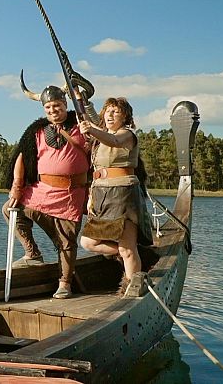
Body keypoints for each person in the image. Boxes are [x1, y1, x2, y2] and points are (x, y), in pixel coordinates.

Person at [3, 79, 91, 299]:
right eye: (49, 107)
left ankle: (65, 284)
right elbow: (22, 158)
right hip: (41, 190)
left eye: (57, 106)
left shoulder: (82, 124)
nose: (53, 110)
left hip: (71, 193)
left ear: (65, 104)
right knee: (10, 210)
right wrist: (17, 187)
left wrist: (80, 94)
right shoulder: (37, 131)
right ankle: (32, 253)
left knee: (66, 241)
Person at [78, 97, 156, 295]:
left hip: (123, 193)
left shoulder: (127, 135)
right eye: (108, 111)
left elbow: (113, 141)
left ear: (125, 117)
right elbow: (97, 167)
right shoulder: (101, 136)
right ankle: (134, 253)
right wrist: (90, 198)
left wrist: (91, 129)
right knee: (88, 242)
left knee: (127, 249)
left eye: (116, 112)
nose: (110, 115)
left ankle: (131, 288)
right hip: (101, 193)